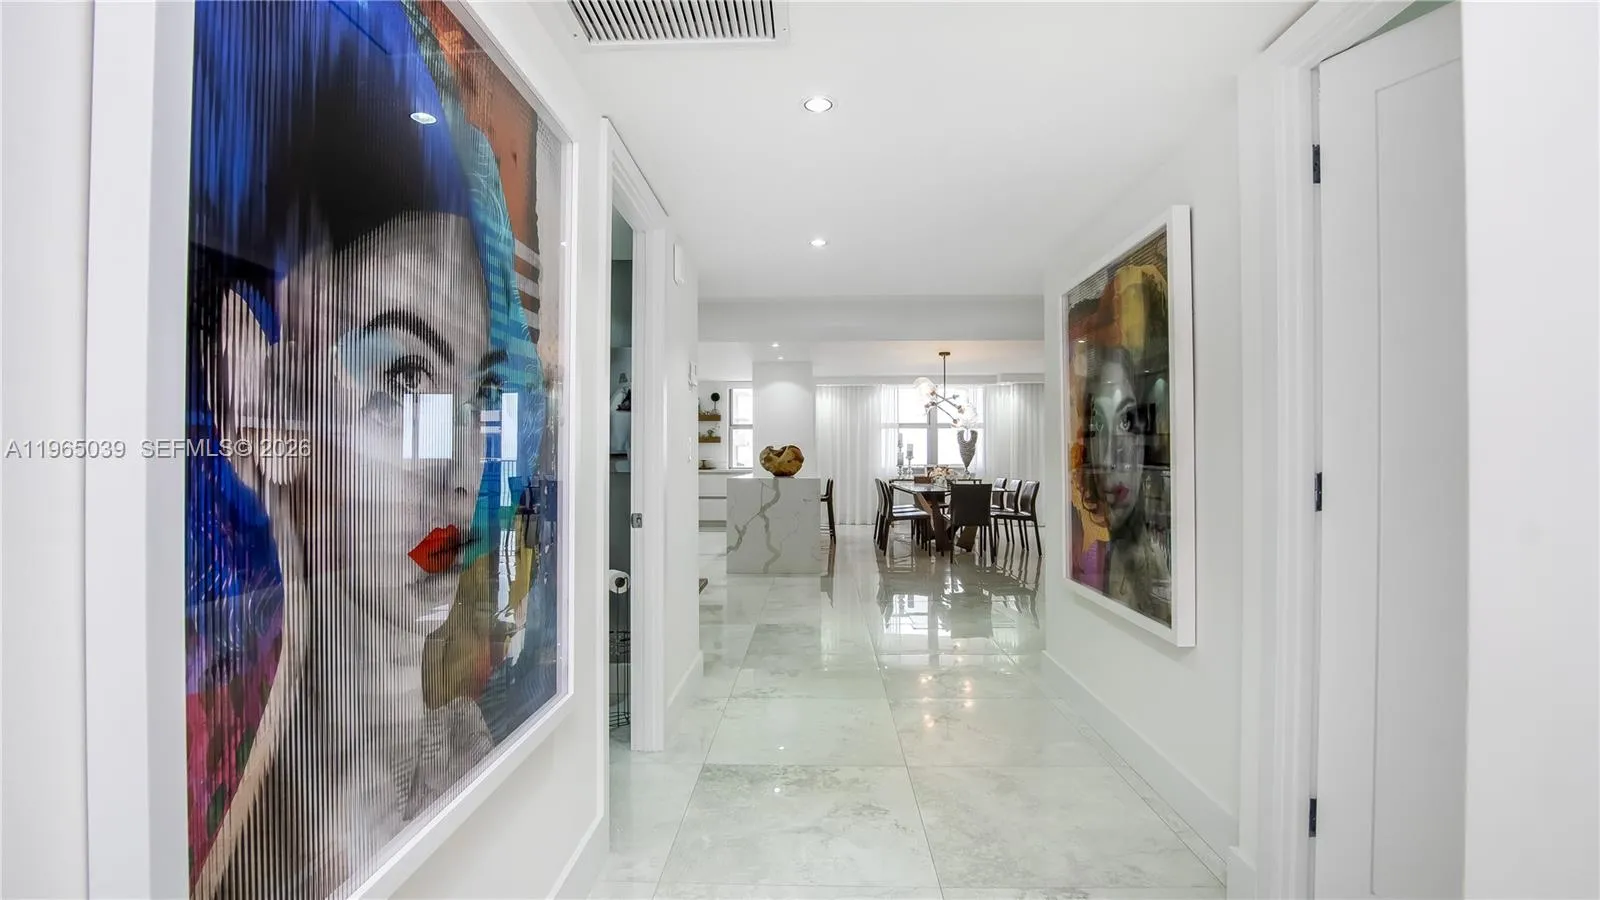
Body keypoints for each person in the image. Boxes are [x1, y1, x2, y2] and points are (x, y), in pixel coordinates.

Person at [183, 3, 555, 896]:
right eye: (400, 379)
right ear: (256, 391)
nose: (460, 473)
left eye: (479, 396)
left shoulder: (471, 752)